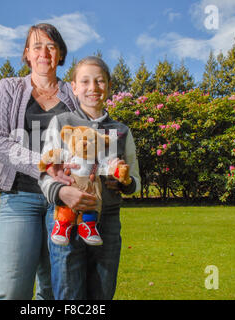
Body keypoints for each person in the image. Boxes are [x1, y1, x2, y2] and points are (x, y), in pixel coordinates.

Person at [0, 23, 97, 300]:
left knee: (52, 290)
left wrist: (92, 172)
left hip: (63, 200)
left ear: (60, 54)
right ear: (27, 54)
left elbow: (91, 141)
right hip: (19, 197)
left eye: (51, 46)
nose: (44, 52)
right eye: (37, 46)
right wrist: (45, 164)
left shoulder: (74, 95)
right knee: (12, 291)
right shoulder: (8, 88)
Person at [39, 56, 141, 300]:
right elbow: (45, 172)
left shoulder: (121, 131)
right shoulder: (61, 122)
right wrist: (61, 192)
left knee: (102, 293)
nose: (92, 88)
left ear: (109, 86)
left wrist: (126, 182)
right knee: (68, 295)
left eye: (99, 81)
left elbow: (135, 177)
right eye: (84, 81)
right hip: (66, 220)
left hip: (106, 222)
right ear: (73, 87)